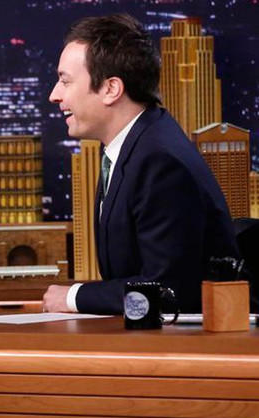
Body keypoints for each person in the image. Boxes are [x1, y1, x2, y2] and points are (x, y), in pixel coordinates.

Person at [43, 14, 238, 315]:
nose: (54, 95)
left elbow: (169, 291)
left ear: (111, 89)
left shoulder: (159, 162)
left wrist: (73, 298)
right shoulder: (134, 146)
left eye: (65, 81)